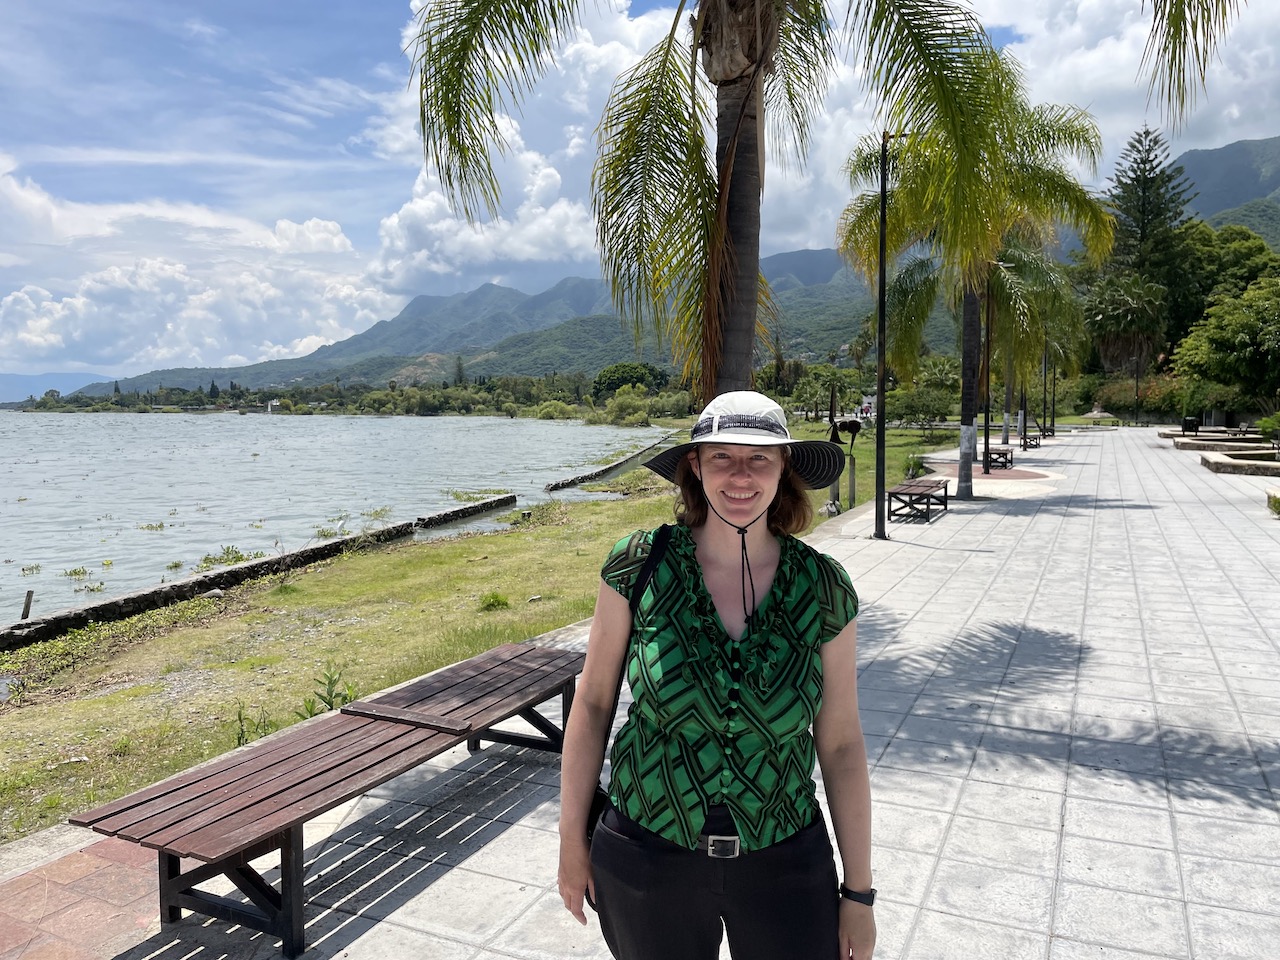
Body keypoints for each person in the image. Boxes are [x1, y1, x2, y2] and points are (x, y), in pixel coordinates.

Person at [558, 391, 875, 960]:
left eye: (759, 458)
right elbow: (594, 703)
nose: (740, 476)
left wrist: (859, 892)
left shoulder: (824, 587)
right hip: (647, 852)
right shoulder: (639, 564)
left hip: (783, 852)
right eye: (722, 456)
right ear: (696, 466)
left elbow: (842, 742)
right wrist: (569, 840)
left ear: (784, 469)